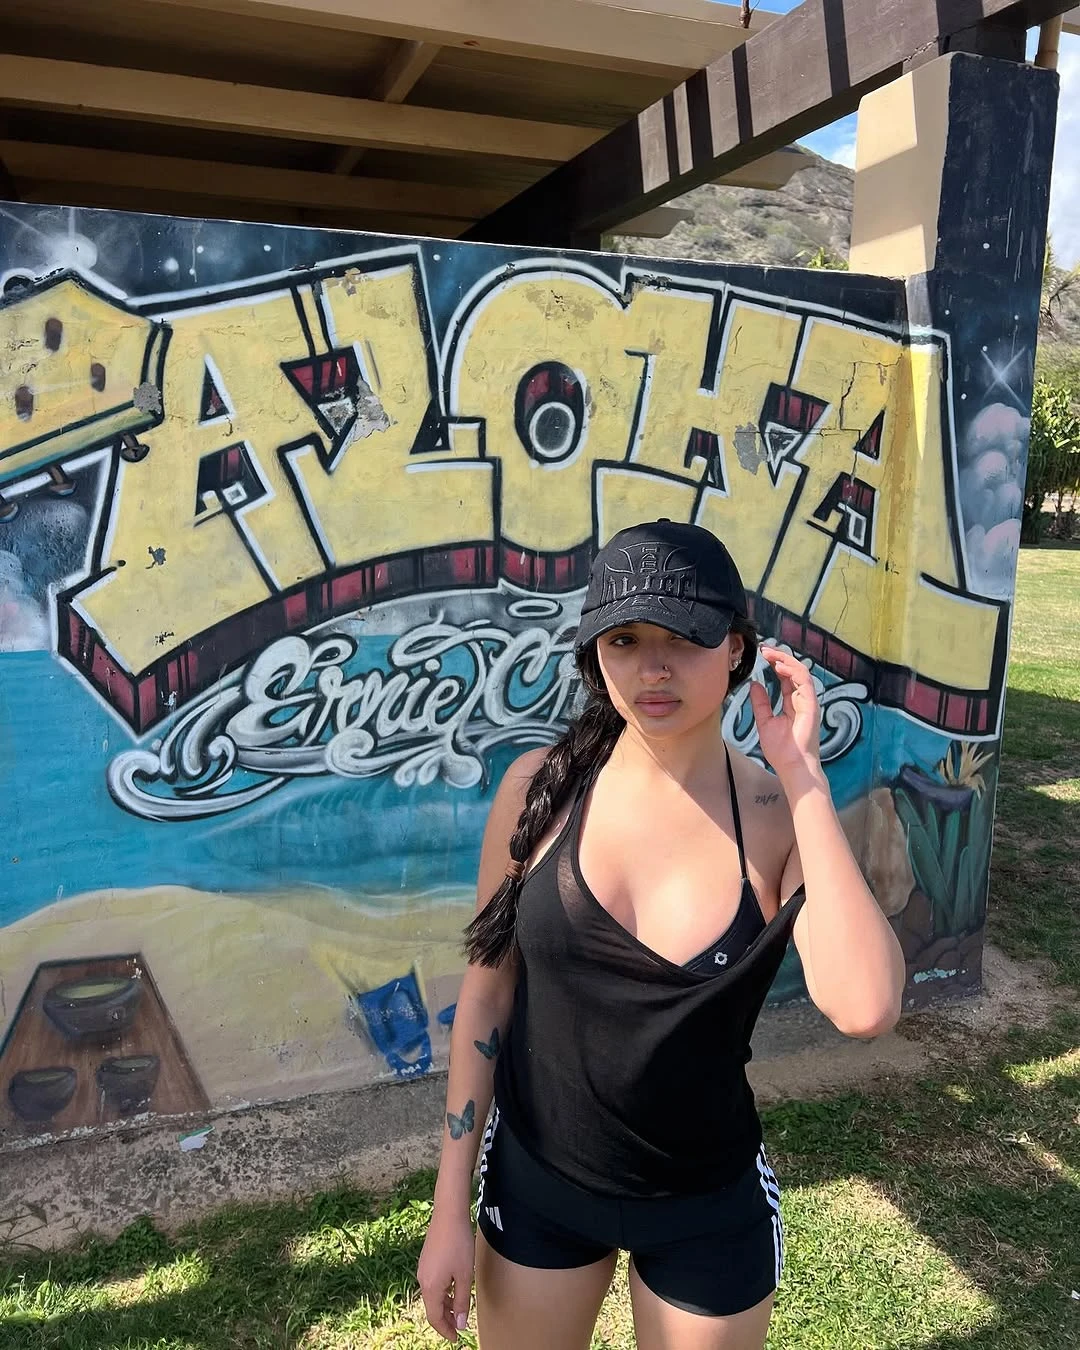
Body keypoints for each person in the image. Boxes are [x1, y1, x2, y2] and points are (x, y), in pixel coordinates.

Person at [417, 519, 905, 1350]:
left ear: (736, 649)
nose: (653, 668)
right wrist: (448, 1207)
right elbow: (488, 994)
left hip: (706, 1206)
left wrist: (804, 779)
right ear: (594, 654)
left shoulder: (777, 819)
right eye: (625, 640)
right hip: (538, 1186)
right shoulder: (540, 791)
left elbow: (865, 1006)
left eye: (682, 639)